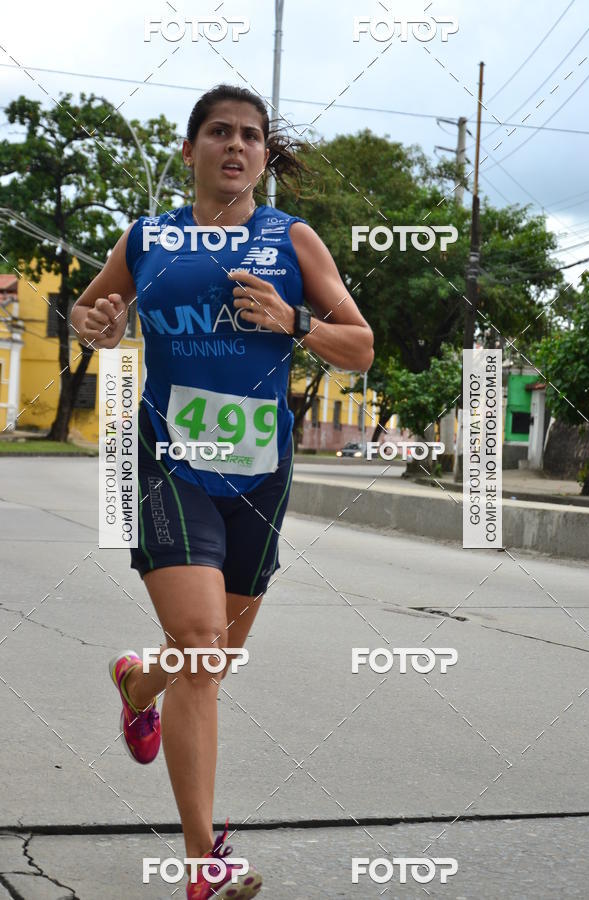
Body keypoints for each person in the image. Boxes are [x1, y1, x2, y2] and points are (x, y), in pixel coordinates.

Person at [71, 83, 374, 898]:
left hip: (260, 475)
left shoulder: (292, 241)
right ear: (191, 149)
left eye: (250, 136)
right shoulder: (150, 237)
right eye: (219, 132)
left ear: (266, 155)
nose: (235, 146)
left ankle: (139, 685)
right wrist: (91, 322)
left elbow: (361, 348)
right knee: (204, 640)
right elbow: (93, 310)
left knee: (211, 661)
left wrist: (293, 321)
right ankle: (205, 862)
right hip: (169, 459)